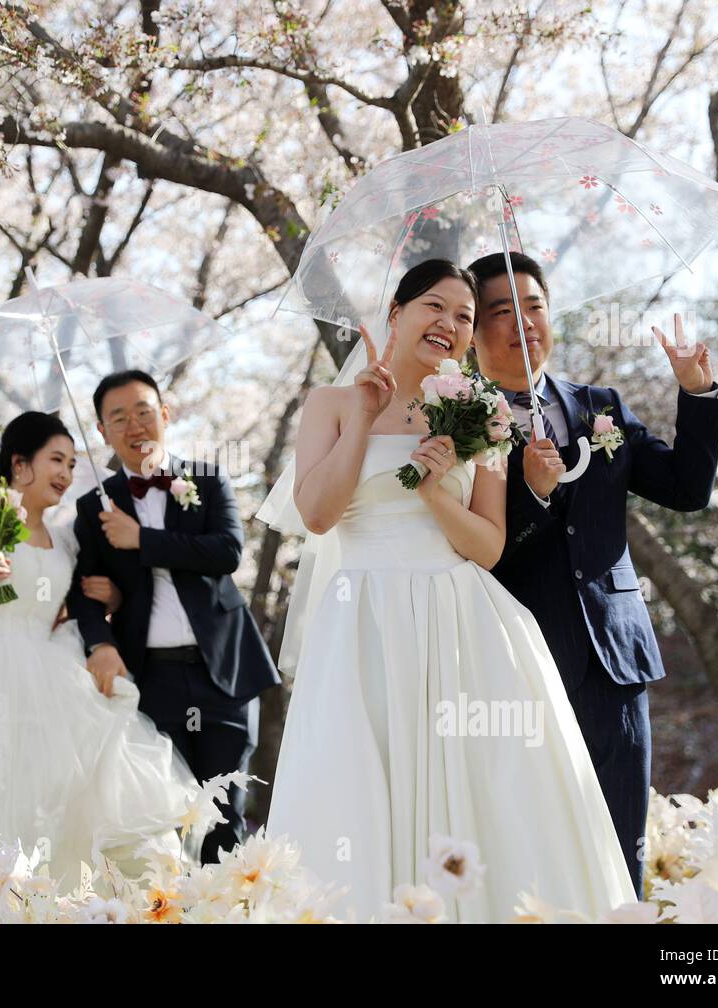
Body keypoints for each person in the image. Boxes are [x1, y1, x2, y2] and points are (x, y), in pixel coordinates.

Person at [261, 258, 635, 922]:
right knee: (364, 783)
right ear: (397, 313)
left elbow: (488, 545)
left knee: (486, 791)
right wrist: (367, 415)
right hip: (365, 619)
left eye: (465, 316)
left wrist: (433, 491)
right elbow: (317, 513)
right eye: (436, 306)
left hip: (463, 620)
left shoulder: (481, 410)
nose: (451, 324)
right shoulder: (333, 403)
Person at [467, 251, 718, 897]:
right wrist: (530, 491)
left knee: (620, 846)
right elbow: (481, 549)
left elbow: (685, 489)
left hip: (615, 657)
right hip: (516, 659)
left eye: (534, 306)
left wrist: (696, 392)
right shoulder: (458, 421)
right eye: (501, 310)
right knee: (531, 844)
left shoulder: (601, 405)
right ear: (473, 329)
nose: (522, 322)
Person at [0, 411, 199, 882]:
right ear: (20, 466)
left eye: (73, 463)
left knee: (46, 796)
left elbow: (64, 610)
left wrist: (112, 600)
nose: (67, 473)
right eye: (56, 460)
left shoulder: (65, 542)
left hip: (43, 676)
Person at [67, 371, 280, 864]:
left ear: (164, 415)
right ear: (102, 431)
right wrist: (100, 644)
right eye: (117, 417)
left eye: (143, 410)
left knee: (224, 814)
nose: (133, 424)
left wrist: (141, 540)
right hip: (151, 677)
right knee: (168, 816)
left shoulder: (208, 479)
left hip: (222, 671)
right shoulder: (94, 507)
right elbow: (83, 594)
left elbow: (226, 551)